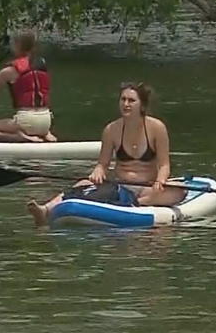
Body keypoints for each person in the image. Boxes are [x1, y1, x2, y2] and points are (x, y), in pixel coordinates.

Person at [27, 82, 184, 226]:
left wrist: (160, 180)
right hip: (122, 185)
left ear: (142, 105)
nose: (126, 104)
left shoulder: (157, 128)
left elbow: (164, 164)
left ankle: (132, 203)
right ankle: (46, 209)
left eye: (131, 100)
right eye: (123, 100)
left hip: (148, 188)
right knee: (83, 184)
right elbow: (102, 164)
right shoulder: (111, 130)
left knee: (178, 190)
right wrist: (98, 171)